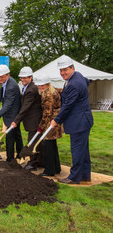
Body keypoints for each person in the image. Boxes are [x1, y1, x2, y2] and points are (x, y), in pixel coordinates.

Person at [51, 56, 93, 184]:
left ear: (72, 68)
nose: (63, 73)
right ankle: (85, 175)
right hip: (84, 119)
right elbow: (87, 82)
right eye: (61, 71)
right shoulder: (78, 76)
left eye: (65, 70)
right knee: (83, 150)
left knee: (77, 151)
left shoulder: (74, 84)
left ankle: (74, 177)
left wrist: (56, 120)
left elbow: (67, 106)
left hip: (79, 122)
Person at [11, 67, 43, 170]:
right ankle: (39, 161)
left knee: (32, 141)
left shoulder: (31, 90)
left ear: (31, 77)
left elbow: (25, 108)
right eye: (21, 78)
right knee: (36, 141)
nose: (23, 80)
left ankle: (33, 163)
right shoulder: (29, 87)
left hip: (34, 120)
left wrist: (16, 121)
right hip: (33, 119)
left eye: (25, 78)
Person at [0, 64, 23, 162]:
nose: (0, 79)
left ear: (7, 75)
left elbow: (7, 105)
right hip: (12, 113)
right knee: (17, 135)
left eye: (2, 77)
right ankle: (20, 155)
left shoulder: (11, 86)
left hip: (13, 114)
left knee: (10, 137)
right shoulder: (6, 82)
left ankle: (10, 159)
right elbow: (2, 95)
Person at [34, 73, 63, 177]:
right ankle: (56, 168)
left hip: (51, 122)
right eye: (39, 85)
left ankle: (49, 170)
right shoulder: (53, 90)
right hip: (55, 120)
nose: (40, 87)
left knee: (48, 146)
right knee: (53, 145)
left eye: (43, 85)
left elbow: (47, 113)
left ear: (47, 84)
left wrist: (41, 126)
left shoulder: (47, 95)